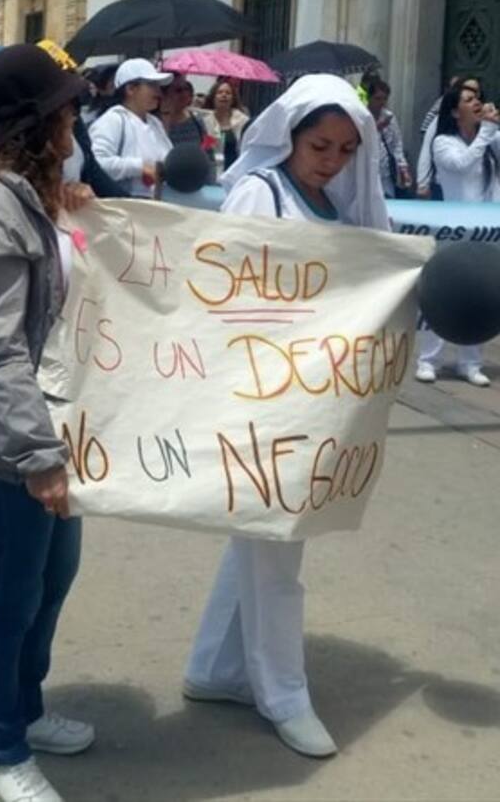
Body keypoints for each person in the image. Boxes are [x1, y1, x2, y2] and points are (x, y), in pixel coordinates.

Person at [185, 75, 391, 760]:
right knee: (280, 548)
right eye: (318, 144)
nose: (330, 159)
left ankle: (214, 669)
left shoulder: (334, 204)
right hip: (260, 400)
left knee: (260, 534)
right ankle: (284, 694)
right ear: (289, 136)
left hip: (315, 398)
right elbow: (225, 289)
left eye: (342, 148)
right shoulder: (260, 192)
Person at [0, 44, 95, 802]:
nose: (76, 117)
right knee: (8, 591)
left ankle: (25, 710)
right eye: (66, 107)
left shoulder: (29, 193)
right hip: (3, 438)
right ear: (36, 124)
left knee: (53, 574)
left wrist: (73, 210)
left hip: (43, 421)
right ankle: (2, 751)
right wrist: (37, 457)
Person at [414, 83, 499, 388]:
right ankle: (428, 359)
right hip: (452, 229)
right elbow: (461, 165)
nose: (476, 102)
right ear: (454, 110)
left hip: (484, 231)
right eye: (468, 99)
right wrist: (487, 134)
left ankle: (470, 361)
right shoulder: (443, 142)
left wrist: (493, 131)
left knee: (478, 295)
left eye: (478, 98)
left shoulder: (489, 140)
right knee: (443, 294)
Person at [89, 57, 174, 198]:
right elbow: (96, 164)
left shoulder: (155, 123)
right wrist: (139, 167)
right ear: (130, 89)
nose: (159, 93)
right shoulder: (113, 120)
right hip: (125, 207)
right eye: (152, 85)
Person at [416, 76, 481, 198]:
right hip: (443, 184)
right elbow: (427, 150)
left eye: (477, 93)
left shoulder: (485, 130)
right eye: (469, 97)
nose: (476, 100)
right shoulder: (441, 132)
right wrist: (422, 182)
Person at [361, 76, 412, 198]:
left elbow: (397, 144)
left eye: (385, 99)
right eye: (378, 98)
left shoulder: (389, 117)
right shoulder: (362, 117)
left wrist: (403, 168)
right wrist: (376, 128)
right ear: (369, 98)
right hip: (366, 172)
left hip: (387, 173)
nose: (381, 102)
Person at [199, 77, 250, 171]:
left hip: (236, 170)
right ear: (213, 97)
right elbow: (205, 148)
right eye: (220, 92)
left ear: (233, 98)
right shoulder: (205, 121)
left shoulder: (242, 121)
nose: (224, 95)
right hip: (212, 170)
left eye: (228, 93)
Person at [159, 74, 211, 149]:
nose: (184, 94)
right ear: (165, 94)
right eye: (178, 90)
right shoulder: (155, 123)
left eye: (186, 89)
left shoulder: (197, 121)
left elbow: (208, 149)